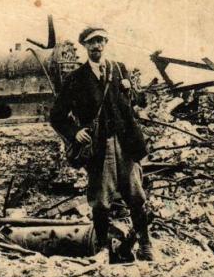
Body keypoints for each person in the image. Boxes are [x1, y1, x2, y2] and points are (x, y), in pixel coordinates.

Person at [49, 27, 155, 261]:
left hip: (126, 143)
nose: (97, 46)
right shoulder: (76, 78)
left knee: (136, 196)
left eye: (100, 41)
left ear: (105, 43)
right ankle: (103, 249)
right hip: (99, 147)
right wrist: (74, 132)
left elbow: (136, 104)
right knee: (101, 201)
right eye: (91, 42)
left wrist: (132, 91)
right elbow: (56, 115)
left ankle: (146, 245)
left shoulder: (119, 69)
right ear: (84, 46)